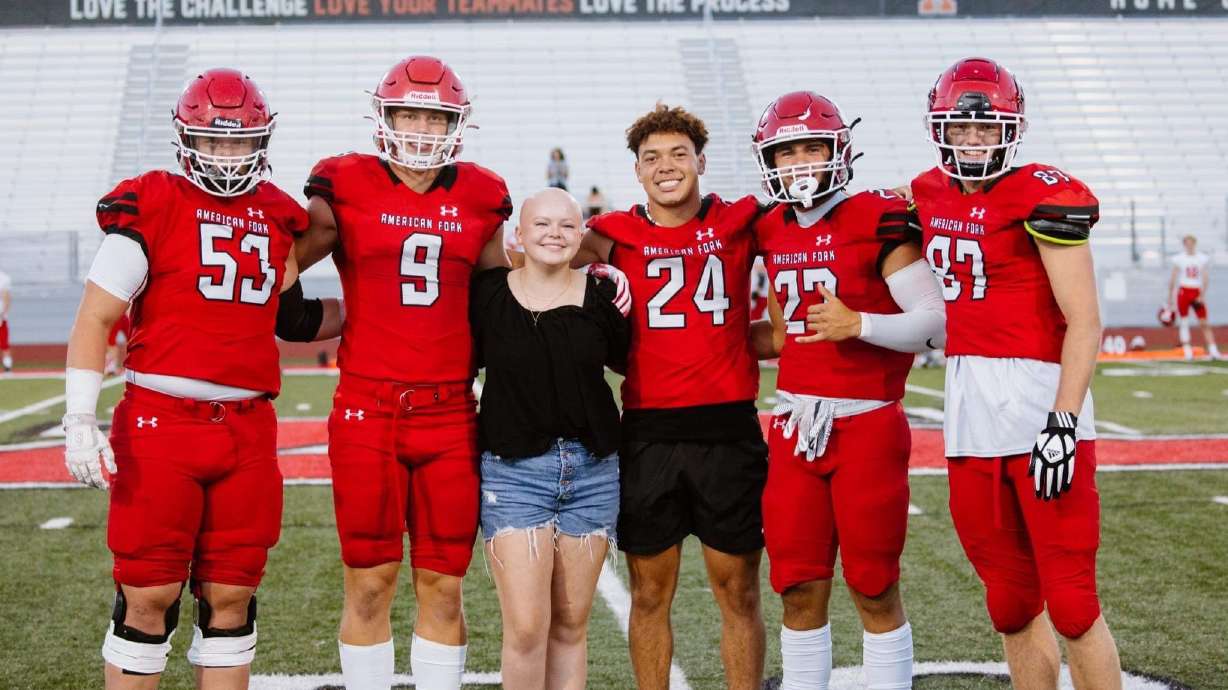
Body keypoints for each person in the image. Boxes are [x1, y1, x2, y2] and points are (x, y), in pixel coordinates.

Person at [62, 68, 328, 689]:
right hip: (162, 423)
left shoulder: (274, 213)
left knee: (233, 596)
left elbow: (296, 316)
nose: (227, 154)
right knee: (148, 595)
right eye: (214, 140)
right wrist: (79, 417)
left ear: (261, 140)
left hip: (248, 430)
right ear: (187, 139)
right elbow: (94, 318)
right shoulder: (154, 200)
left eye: (239, 142)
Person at [295, 55, 512, 690]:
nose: (420, 127)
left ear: (457, 123)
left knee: (444, 583)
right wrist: (324, 314)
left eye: (435, 115)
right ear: (384, 116)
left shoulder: (481, 192)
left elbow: (498, 297)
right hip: (368, 408)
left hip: (450, 412)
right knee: (369, 579)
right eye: (408, 112)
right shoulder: (344, 182)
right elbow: (276, 265)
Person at [910, 57, 1122, 689]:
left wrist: (1062, 419)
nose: (973, 139)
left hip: (1039, 406)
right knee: (1008, 601)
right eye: (961, 127)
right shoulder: (926, 189)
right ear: (939, 129)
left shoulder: (1042, 193)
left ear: (1012, 129)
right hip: (970, 411)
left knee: (1074, 603)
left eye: (987, 127)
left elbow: (1084, 321)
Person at [750, 90, 946, 690]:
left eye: (814, 147)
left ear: (840, 149)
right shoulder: (769, 226)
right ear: (770, 159)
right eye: (789, 151)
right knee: (798, 585)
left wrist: (860, 324)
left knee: (874, 583)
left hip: (867, 425)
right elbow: (782, 331)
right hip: (793, 426)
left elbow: (934, 319)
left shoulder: (877, 216)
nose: (802, 162)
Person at [571, 104, 767, 690]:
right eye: (652, 158)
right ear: (636, 171)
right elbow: (545, 257)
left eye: (679, 154)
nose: (666, 167)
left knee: (737, 588)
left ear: (701, 161)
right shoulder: (611, 233)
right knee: (650, 591)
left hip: (728, 429)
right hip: (649, 430)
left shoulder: (741, 220)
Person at [470, 188, 629, 689]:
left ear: (581, 235)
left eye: (566, 225)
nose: (554, 234)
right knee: (524, 628)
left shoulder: (602, 297)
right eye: (542, 224)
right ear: (519, 234)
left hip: (592, 473)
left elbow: (633, 364)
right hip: (514, 475)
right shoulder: (489, 294)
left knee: (570, 625)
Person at [1168, 235, 1220, 360]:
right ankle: (1187, 350)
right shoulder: (1179, 258)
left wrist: (1202, 295)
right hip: (1184, 291)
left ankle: (1213, 349)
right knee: (1184, 322)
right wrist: (1170, 296)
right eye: (1187, 243)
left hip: (1196, 291)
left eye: (1191, 243)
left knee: (1204, 322)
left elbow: (1205, 277)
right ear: (1184, 244)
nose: (1189, 245)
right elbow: (1173, 278)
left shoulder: (1201, 258)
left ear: (1195, 244)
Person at [104, 310, 131, 375]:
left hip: (116, 316)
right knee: (126, 342)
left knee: (128, 341)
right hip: (119, 315)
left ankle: (116, 366)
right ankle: (116, 366)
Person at [0, 268, 11, 371]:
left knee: (3, 342)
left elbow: (6, 297)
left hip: (1, 316)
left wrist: (3, 313)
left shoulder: (3, 278)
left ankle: (7, 365)